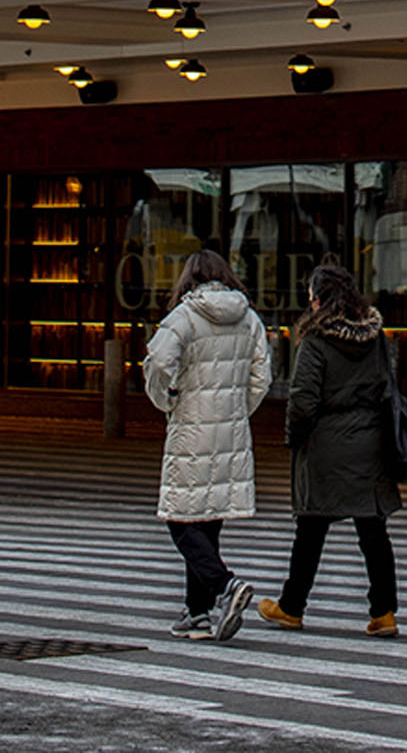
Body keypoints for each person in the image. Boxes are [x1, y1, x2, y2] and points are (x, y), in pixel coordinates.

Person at [257, 260, 402, 637]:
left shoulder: (316, 341)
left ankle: (292, 606)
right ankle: (384, 612)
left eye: (311, 298)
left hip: (326, 443)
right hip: (370, 442)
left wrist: (294, 436)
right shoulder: (376, 337)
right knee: (373, 532)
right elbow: (389, 384)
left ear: (320, 300)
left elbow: (302, 400)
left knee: (310, 528)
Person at [143, 247, 271, 642]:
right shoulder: (249, 319)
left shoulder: (184, 316)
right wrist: (237, 409)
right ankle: (196, 613)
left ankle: (224, 586)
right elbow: (262, 376)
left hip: (191, 425)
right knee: (208, 518)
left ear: (188, 278)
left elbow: (159, 362)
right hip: (231, 429)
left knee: (179, 518)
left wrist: (166, 401)